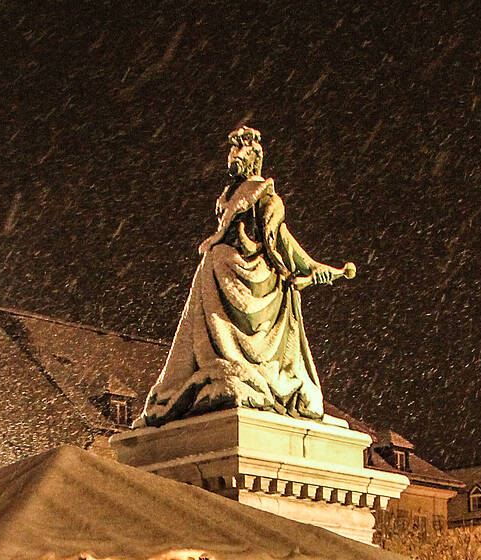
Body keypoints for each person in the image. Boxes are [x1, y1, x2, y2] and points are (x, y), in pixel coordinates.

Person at [141, 125, 355, 427]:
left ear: (253, 157)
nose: (232, 155)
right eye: (231, 149)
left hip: (256, 270)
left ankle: (240, 364)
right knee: (213, 261)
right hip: (227, 264)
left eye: (238, 150)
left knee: (216, 260)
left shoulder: (265, 196)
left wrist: (312, 268)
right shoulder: (230, 195)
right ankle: (215, 362)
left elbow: (280, 240)